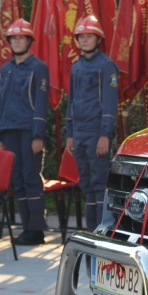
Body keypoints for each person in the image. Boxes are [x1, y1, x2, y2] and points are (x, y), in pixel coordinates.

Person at [0, 18, 50, 245]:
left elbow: (41, 103)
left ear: (29, 41)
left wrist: (38, 135)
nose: (17, 42)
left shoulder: (38, 68)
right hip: (8, 132)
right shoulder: (4, 70)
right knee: (17, 180)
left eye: (21, 38)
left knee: (30, 178)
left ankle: (36, 230)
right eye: (13, 38)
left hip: (28, 131)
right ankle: (26, 228)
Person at [64, 14, 119, 231]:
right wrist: (70, 133)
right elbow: (72, 101)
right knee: (86, 183)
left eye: (89, 36)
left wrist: (105, 134)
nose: (84, 40)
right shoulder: (77, 67)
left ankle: (104, 229)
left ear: (98, 39)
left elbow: (109, 103)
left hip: (97, 133)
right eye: (81, 36)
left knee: (99, 183)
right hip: (79, 133)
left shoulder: (107, 66)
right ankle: (91, 229)